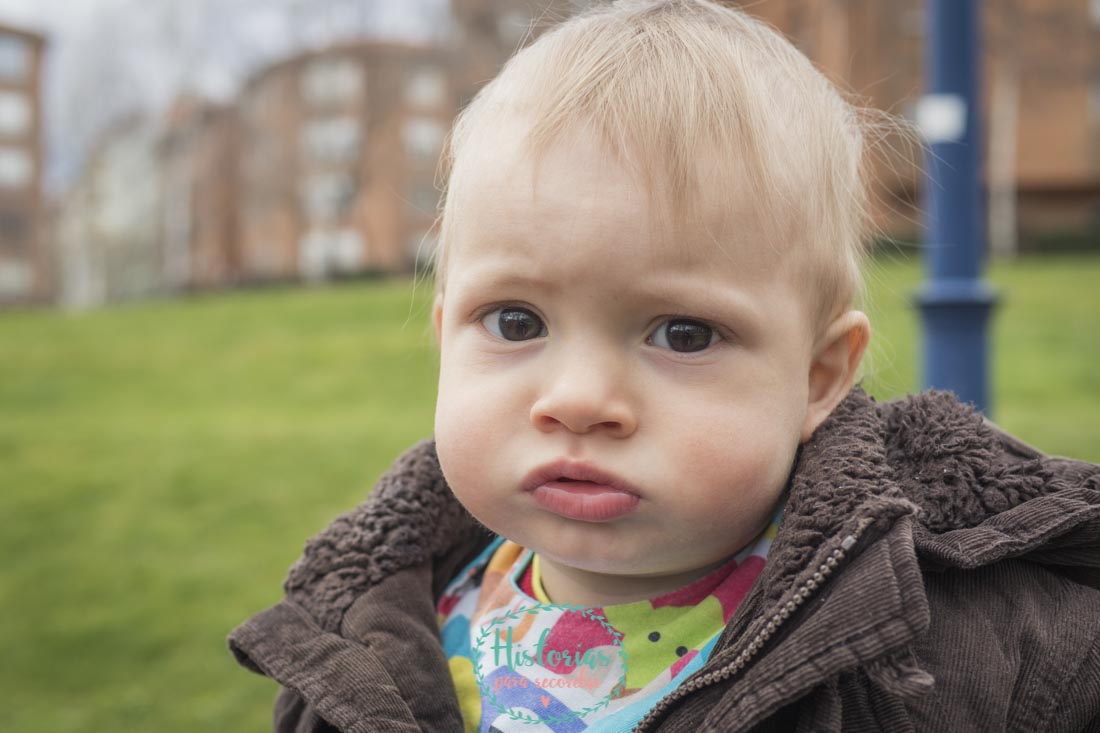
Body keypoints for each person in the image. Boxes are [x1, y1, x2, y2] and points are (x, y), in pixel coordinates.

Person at [228, 1, 1100, 730]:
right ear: (445, 327)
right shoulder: (363, 644)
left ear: (819, 376)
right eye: (516, 320)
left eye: (682, 334)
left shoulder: (966, 653)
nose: (578, 400)